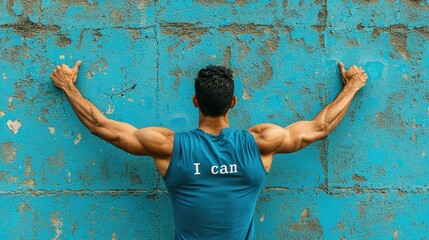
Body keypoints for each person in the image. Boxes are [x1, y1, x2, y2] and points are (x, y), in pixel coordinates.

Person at [50, 61, 368, 240]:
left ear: (194, 102)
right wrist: (352, 85)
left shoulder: (168, 147)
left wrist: (68, 86)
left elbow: (100, 125)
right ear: (232, 102)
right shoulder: (261, 142)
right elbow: (320, 127)